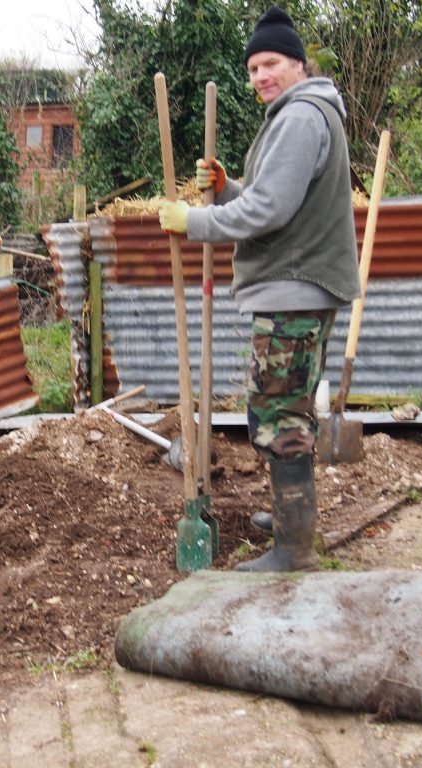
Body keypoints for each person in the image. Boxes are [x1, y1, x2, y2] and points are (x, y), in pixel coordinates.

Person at [158, 5, 360, 572]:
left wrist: (193, 222)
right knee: (286, 403)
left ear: (297, 64)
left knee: (276, 411)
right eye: (252, 69)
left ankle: (294, 550)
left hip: (294, 286)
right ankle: (290, 512)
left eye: (270, 63)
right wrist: (228, 190)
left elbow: (270, 211)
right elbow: (272, 197)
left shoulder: (300, 119)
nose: (260, 77)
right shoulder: (301, 114)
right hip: (301, 282)